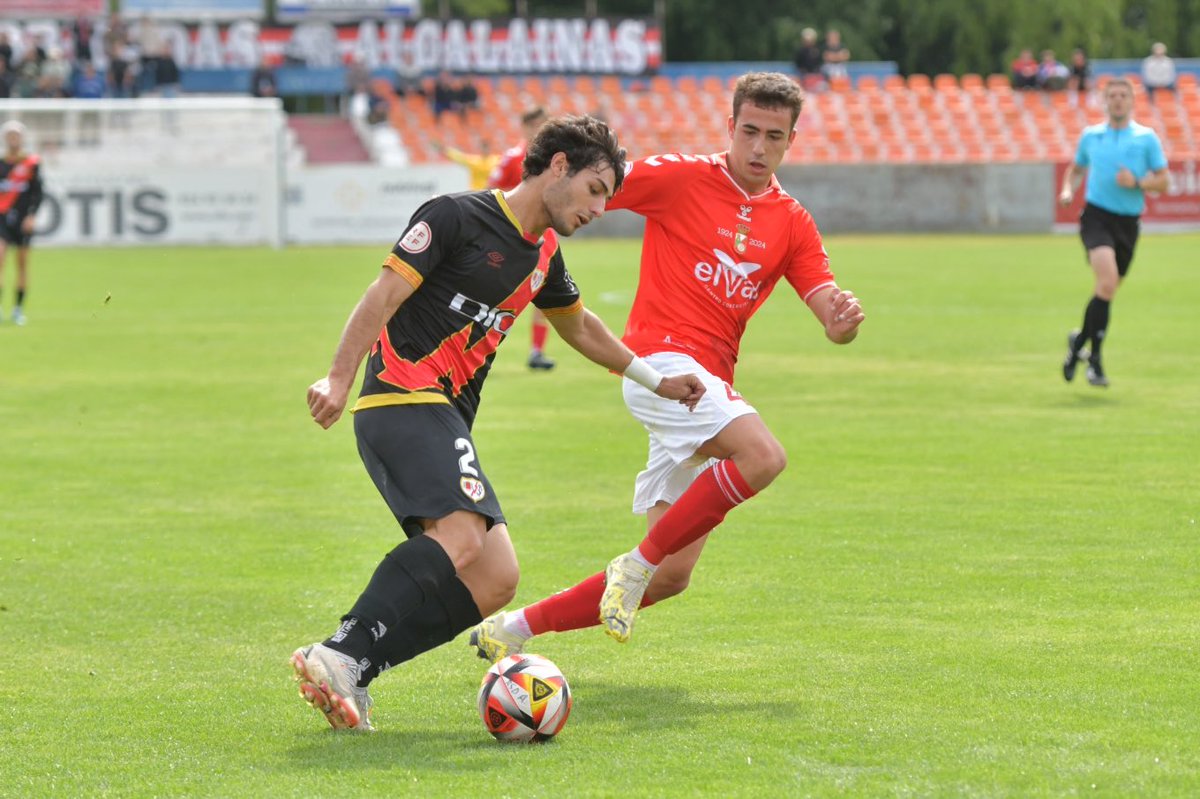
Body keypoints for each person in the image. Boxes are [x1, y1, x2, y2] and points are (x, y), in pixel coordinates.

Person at [289, 114, 706, 732]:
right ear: (557, 166)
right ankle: (342, 651)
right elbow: (381, 296)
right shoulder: (455, 215)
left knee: (494, 578)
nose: (599, 208)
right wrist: (338, 377)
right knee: (461, 535)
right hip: (402, 398)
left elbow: (581, 327)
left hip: (438, 415)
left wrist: (655, 379)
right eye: (595, 189)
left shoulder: (544, 255)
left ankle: (357, 669)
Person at [467, 71, 866, 662]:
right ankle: (636, 562)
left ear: (791, 140)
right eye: (749, 131)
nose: (758, 147)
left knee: (673, 575)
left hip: (705, 388)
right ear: (729, 127)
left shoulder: (792, 222)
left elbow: (826, 304)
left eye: (773, 137)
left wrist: (840, 321)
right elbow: (585, 188)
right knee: (763, 456)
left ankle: (514, 629)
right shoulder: (681, 178)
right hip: (660, 367)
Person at [1058, 77, 1168, 387]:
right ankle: (1095, 361)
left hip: (1128, 223)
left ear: (1132, 101)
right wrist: (1068, 189)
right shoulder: (1091, 136)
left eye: (1123, 95)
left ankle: (1078, 343)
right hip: (1096, 217)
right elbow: (1077, 168)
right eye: (1112, 96)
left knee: (1105, 292)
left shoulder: (1146, 138)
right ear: (1104, 101)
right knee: (1106, 283)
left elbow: (1164, 181)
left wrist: (1137, 183)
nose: (1118, 100)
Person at [488, 106, 558, 370]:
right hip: (512, 237)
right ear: (526, 127)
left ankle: (536, 352)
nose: (540, 130)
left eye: (545, 125)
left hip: (544, 237)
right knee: (495, 292)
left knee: (545, 291)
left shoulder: (555, 161)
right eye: (536, 125)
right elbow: (490, 191)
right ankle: (475, 345)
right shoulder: (512, 158)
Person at [0, 121, 43, 326]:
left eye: (16, 135)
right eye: (10, 135)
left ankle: (17, 309)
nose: (13, 139)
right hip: (2, 218)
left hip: (23, 219)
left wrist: (32, 215)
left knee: (22, 264)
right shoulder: (1, 163)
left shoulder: (32, 163)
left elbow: (38, 192)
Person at [792, 27, 823, 91]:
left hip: (815, 73)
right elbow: (798, 64)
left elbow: (819, 63)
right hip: (803, 74)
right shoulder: (800, 51)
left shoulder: (817, 51)